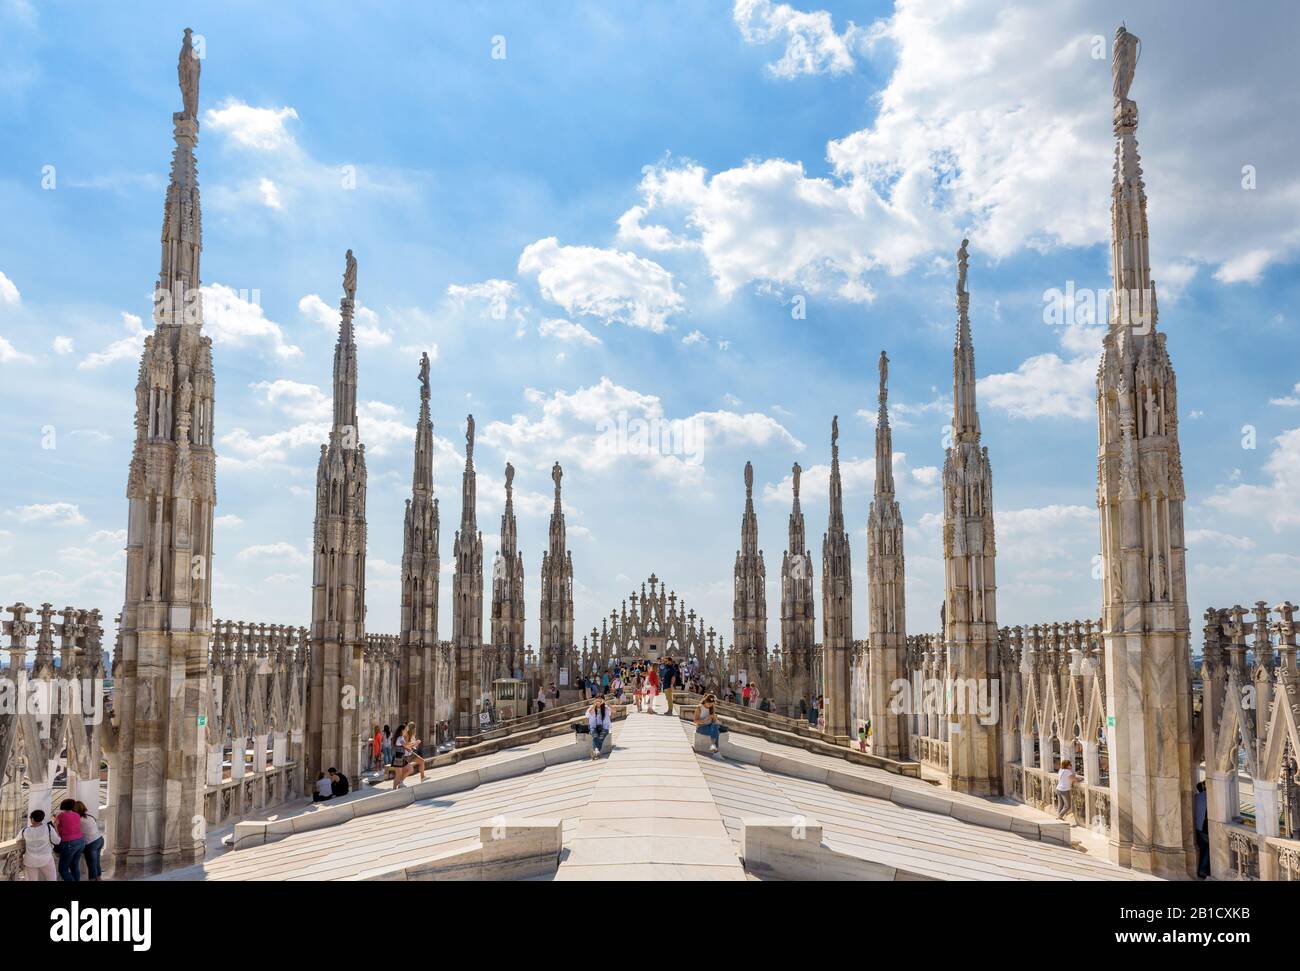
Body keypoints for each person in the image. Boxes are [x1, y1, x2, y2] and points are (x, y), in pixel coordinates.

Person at [20, 809, 59, 882]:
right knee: (52, 879)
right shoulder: (48, 828)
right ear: (42, 818)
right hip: (46, 859)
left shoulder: (25, 830)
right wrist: (56, 827)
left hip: (30, 860)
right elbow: (57, 841)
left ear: (32, 819)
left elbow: (17, 839)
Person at [54, 799, 85, 882]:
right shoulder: (77, 815)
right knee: (74, 866)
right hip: (81, 841)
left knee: (63, 870)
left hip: (69, 842)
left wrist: (58, 837)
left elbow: (55, 826)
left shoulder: (61, 815)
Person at [76, 801, 104, 881]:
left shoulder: (78, 819)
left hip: (91, 843)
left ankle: (92, 879)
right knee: (97, 861)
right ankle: (99, 878)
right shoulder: (90, 816)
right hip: (100, 840)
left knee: (91, 864)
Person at [587, 695, 612, 760]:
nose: (598, 702)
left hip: (604, 727)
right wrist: (594, 705)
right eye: (597, 700)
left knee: (601, 737)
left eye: (600, 700)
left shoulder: (606, 708)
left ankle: (596, 751)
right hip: (593, 727)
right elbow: (589, 713)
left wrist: (607, 704)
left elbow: (614, 711)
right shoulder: (591, 707)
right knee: (595, 736)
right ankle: (597, 752)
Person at [1194, 780, 1210, 879]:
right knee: (1208, 848)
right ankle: (1203, 870)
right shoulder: (1208, 797)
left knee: (1203, 848)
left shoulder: (1197, 797)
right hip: (1204, 828)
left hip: (1197, 827)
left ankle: (1202, 870)